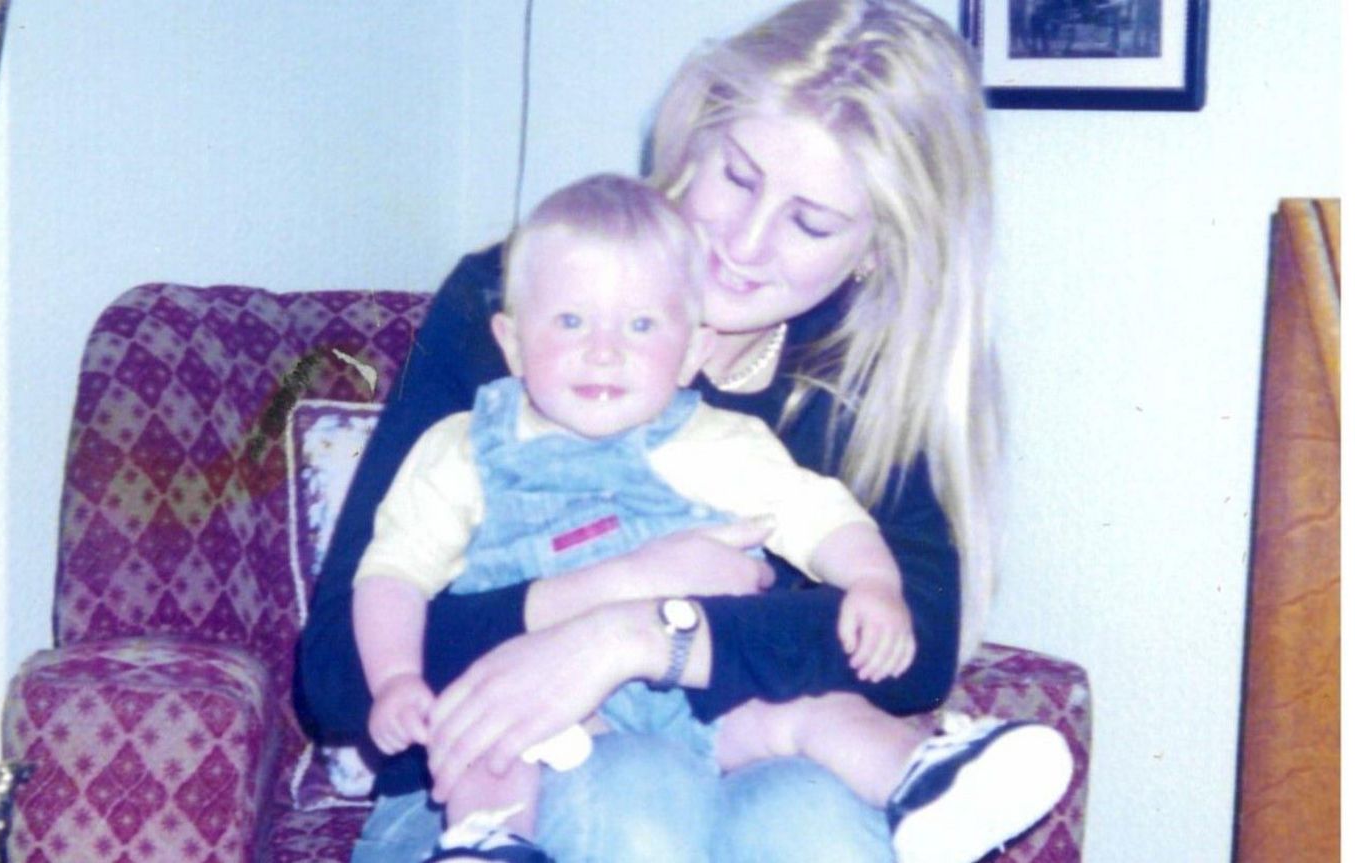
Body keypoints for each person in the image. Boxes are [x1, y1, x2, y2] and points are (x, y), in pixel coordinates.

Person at [296, 1, 1054, 860]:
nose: (743, 242)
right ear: (697, 137)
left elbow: (911, 645)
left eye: (810, 222)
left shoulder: (861, 381)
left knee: (814, 826)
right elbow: (333, 674)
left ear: (878, 250)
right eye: (737, 175)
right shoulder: (520, 298)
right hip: (487, 794)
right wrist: (594, 594)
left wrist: (640, 635)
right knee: (638, 798)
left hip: (757, 755)